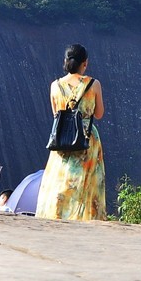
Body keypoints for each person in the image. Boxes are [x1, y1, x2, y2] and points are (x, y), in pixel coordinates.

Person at [35, 43, 106, 220]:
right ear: (85, 63)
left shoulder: (55, 86)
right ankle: (86, 217)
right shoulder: (93, 84)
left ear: (66, 62)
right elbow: (99, 114)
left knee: (61, 177)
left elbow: (55, 114)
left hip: (63, 137)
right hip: (86, 139)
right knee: (87, 181)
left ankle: (57, 214)